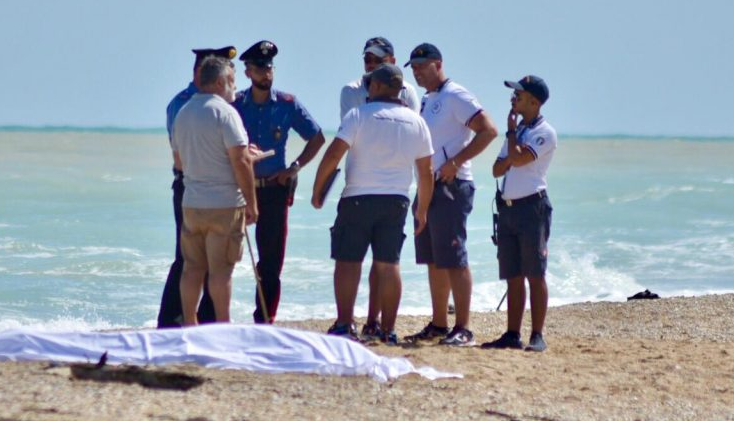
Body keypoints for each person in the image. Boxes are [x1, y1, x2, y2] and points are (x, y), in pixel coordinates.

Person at [312, 63, 434, 344]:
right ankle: (387, 331)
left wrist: (318, 190)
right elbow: (426, 172)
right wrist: (422, 209)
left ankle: (345, 324)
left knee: (348, 262)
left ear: (377, 87)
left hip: (357, 197)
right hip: (397, 201)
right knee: (388, 264)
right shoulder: (416, 121)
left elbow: (333, 155)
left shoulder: (358, 115)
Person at [403, 43, 498, 346]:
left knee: (454, 257)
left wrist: (456, 163)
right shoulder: (429, 99)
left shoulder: (456, 95)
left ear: (438, 63)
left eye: (421, 65)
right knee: (433, 259)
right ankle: (440, 323)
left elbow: (488, 130)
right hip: (428, 186)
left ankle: (464, 327)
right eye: (413, 67)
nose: (416, 71)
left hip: (452, 187)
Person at [231, 40, 325, 324]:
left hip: (273, 191)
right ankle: (212, 319)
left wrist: (294, 167)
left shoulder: (287, 104)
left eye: (269, 67)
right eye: (259, 68)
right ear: (247, 72)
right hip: (238, 190)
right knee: (223, 259)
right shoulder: (234, 105)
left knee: (270, 265)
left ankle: (265, 320)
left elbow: (317, 138)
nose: (266, 73)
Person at [339, 36, 421, 340]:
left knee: (385, 261)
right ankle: (347, 322)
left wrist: (420, 197)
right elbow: (359, 129)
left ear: (392, 61)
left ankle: (377, 322)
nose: (371, 65)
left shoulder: (409, 92)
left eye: (378, 60)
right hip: (360, 182)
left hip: (396, 185)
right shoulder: (351, 91)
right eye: (367, 60)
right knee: (353, 258)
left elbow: (410, 134)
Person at [171, 55, 260, 325]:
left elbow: (179, 162)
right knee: (221, 271)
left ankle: (189, 322)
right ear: (220, 81)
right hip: (223, 203)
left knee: (192, 268)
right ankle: (222, 325)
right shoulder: (225, 112)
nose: (234, 87)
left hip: (192, 202)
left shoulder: (183, 112)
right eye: (231, 81)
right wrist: (252, 203)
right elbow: (241, 161)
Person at [158, 46, 236, 328]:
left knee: (208, 260)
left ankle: (205, 319)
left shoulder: (217, 103)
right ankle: (172, 320)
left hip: (206, 187)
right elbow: (183, 152)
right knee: (189, 259)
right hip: (190, 184)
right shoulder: (184, 103)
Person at [482, 76, 556, 352]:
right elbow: (496, 169)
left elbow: (519, 159)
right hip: (509, 208)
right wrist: (513, 141)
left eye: (519, 95)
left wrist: (512, 136)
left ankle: (537, 334)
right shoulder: (519, 131)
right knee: (512, 274)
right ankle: (512, 333)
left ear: (534, 102)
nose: (513, 99)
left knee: (535, 273)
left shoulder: (544, 132)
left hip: (532, 208)